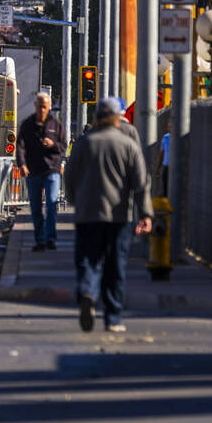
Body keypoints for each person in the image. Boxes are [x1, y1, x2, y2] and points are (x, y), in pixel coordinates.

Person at [65, 98, 154, 333]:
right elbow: (141, 182)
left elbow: (70, 176)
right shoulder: (128, 144)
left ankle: (87, 292)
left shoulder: (84, 143)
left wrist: (75, 201)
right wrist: (145, 214)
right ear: (117, 118)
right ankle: (113, 317)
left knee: (88, 260)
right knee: (115, 266)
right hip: (118, 215)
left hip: (87, 214)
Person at [15, 92, 68, 252]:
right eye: (40, 106)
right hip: (34, 171)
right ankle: (40, 240)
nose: (42, 110)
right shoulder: (28, 124)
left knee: (51, 204)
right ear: (36, 106)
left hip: (51, 170)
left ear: (49, 107)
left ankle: (50, 238)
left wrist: (52, 144)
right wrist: (22, 164)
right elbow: (20, 147)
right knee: (36, 208)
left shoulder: (55, 124)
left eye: (45, 107)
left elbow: (63, 146)